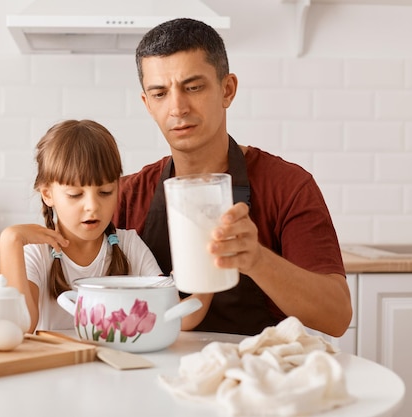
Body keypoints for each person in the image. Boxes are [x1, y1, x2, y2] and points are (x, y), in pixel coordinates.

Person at [113, 18, 352, 337]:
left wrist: (256, 260)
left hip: (255, 375)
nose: (177, 108)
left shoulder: (289, 186)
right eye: (160, 94)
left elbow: (336, 317)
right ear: (147, 104)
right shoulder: (126, 194)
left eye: (193, 87)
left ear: (227, 90)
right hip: (151, 373)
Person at [0, 119, 163, 332]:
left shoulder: (130, 245)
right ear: (48, 194)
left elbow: (176, 314)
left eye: (105, 192)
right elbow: (20, 327)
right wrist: (10, 240)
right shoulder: (36, 254)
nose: (92, 206)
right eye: (75, 195)